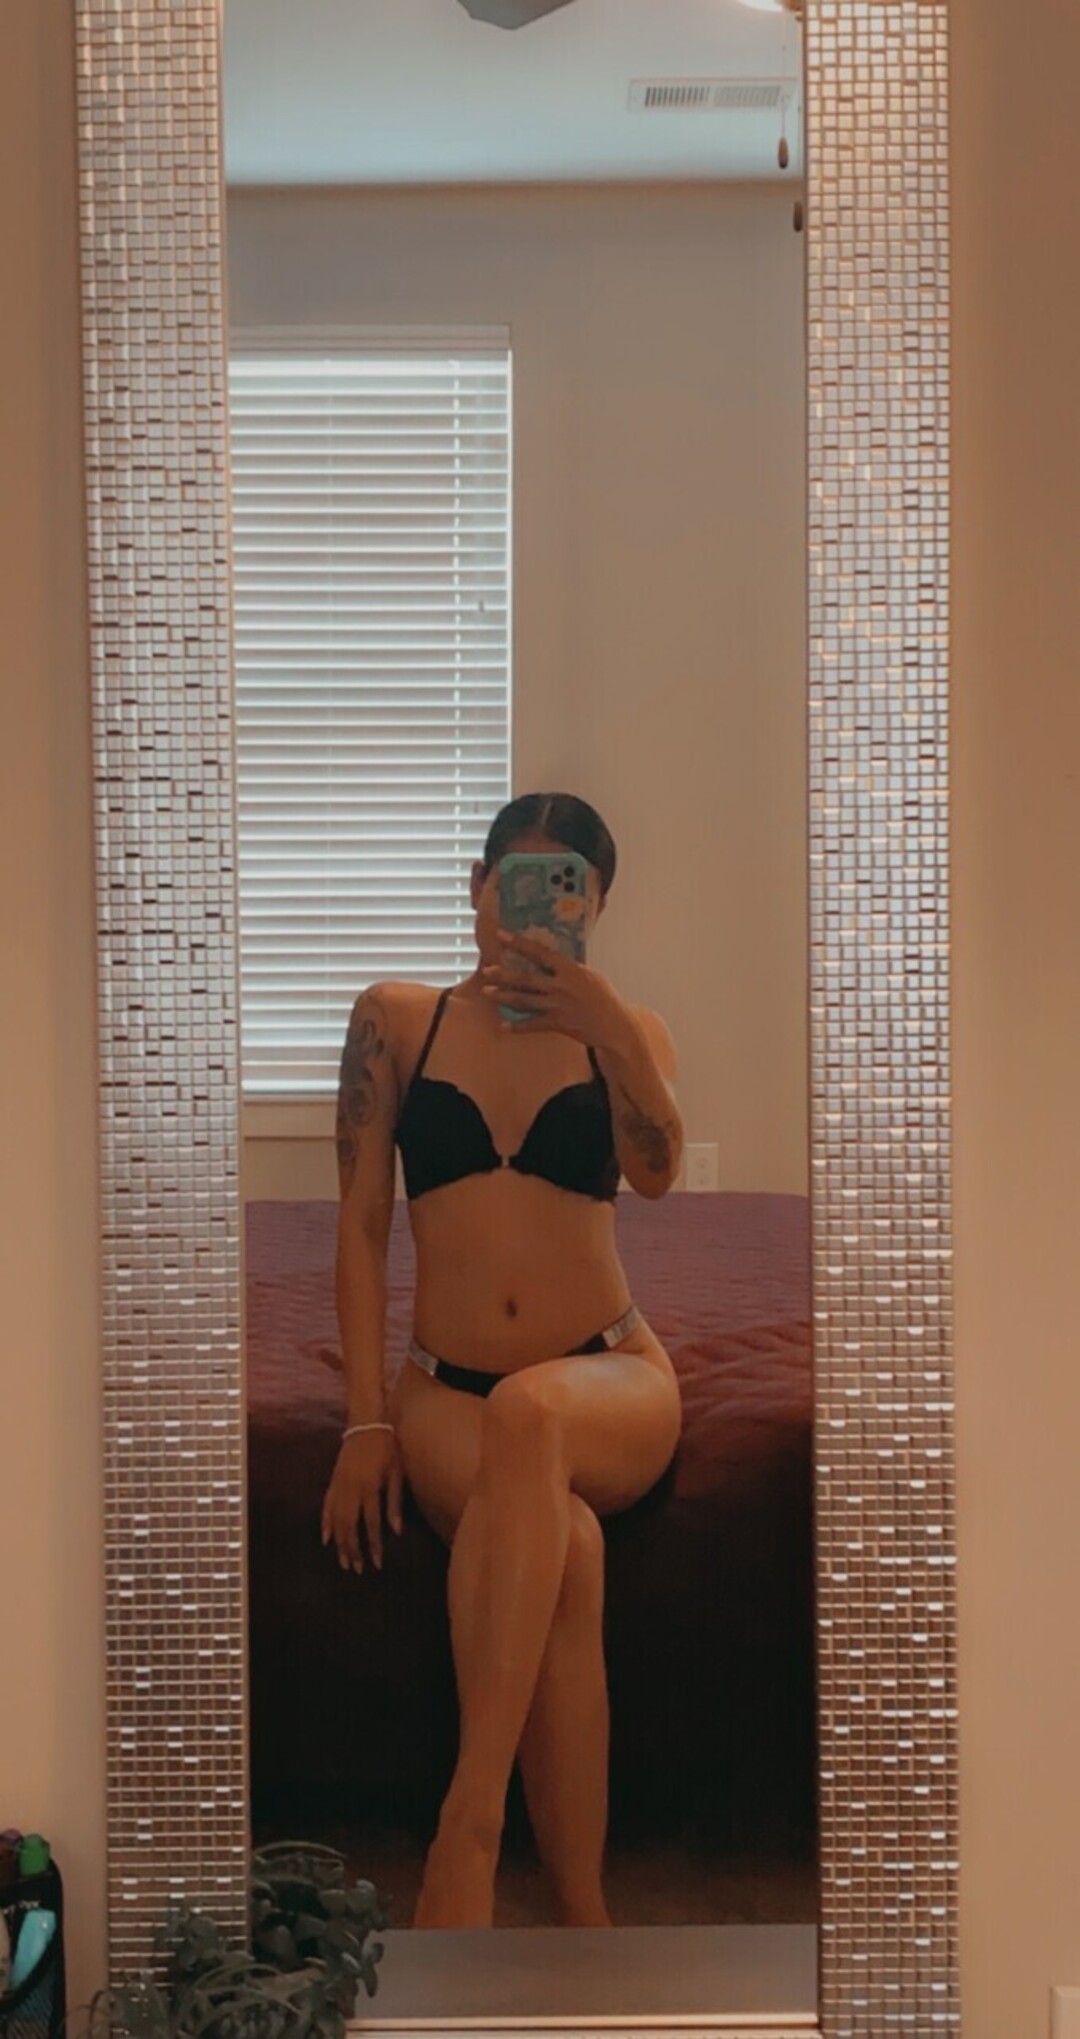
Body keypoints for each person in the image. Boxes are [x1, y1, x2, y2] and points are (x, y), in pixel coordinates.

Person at [321, 793, 684, 1930]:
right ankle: (584, 1911)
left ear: (597, 908)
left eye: (567, 887)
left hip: (612, 1372)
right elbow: (359, 1226)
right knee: (568, 1542)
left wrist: (610, 1029)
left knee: (536, 1413)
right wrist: (365, 1420)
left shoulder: (628, 1030)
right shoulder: (399, 1020)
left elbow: (658, 1172)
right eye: (514, 882)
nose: (534, 907)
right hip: (447, 1391)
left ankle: (467, 1826)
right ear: (475, 887)